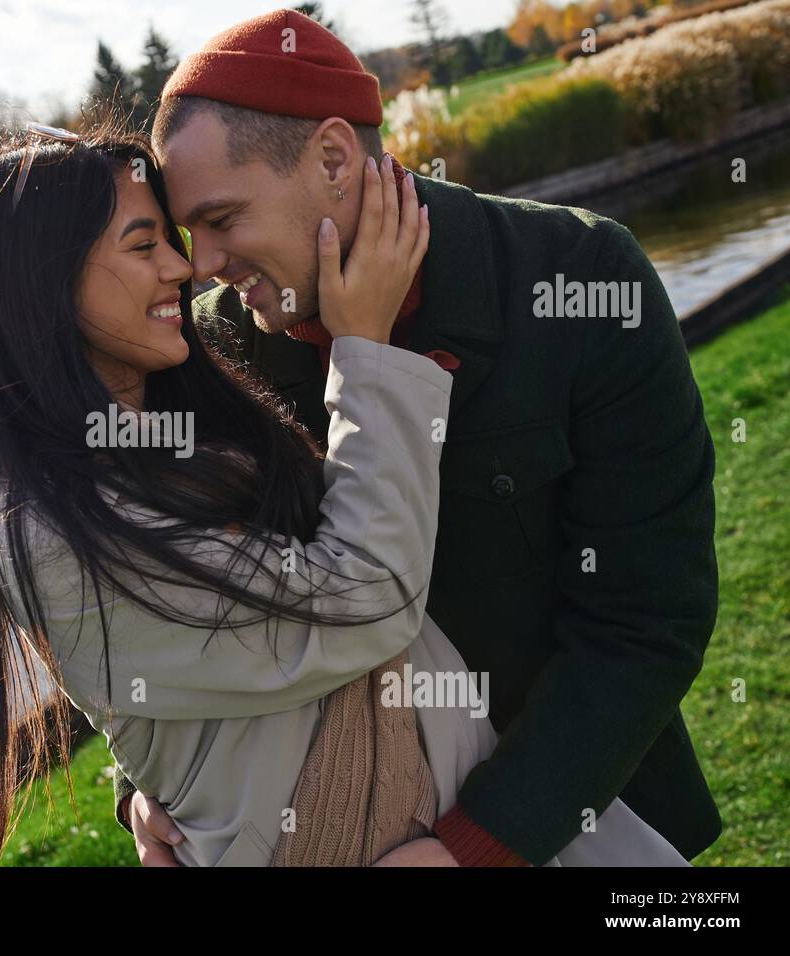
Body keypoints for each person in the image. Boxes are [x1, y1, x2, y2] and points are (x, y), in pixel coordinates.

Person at [114, 7, 721, 867]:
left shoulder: (585, 279)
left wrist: (475, 847)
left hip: (581, 819)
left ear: (332, 159)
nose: (203, 264)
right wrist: (146, 786)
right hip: (334, 833)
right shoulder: (211, 350)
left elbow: (649, 619)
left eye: (222, 219)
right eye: (186, 234)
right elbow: (156, 588)